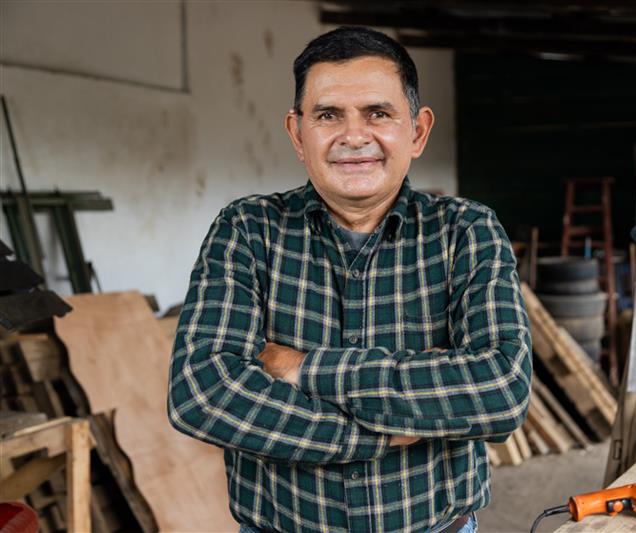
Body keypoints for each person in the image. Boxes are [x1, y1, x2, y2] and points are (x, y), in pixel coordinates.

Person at [168, 26, 532, 533]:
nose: (353, 136)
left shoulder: (466, 231)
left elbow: (500, 390)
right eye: (328, 115)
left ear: (418, 132)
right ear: (298, 134)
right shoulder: (248, 230)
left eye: (378, 113)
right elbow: (202, 394)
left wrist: (303, 369)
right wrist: (380, 433)